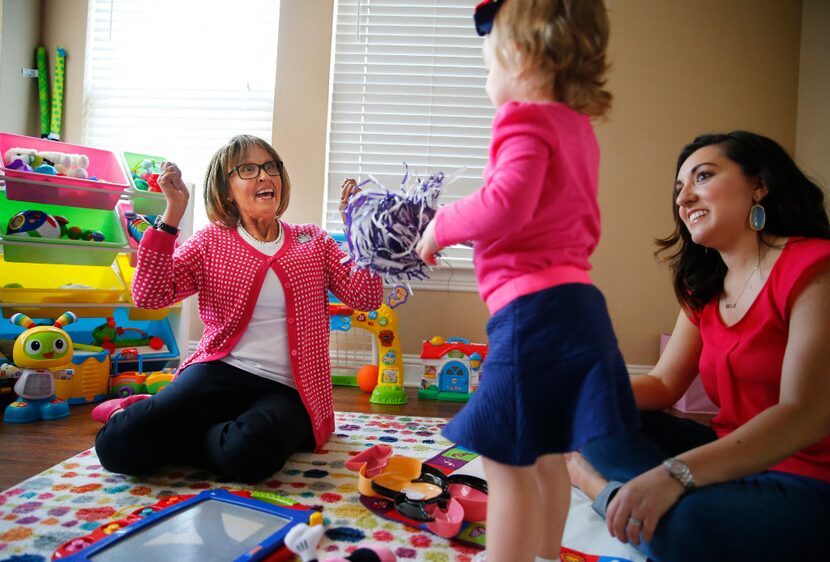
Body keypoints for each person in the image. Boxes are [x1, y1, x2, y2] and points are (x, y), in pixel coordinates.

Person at [415, 1, 639, 561]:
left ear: (518, 56)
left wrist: (442, 224)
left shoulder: (524, 118)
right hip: (581, 307)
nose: (488, 81)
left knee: (505, 458)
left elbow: (506, 204)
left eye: (488, 68)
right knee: (545, 454)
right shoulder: (579, 130)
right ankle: (542, 554)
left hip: (535, 312)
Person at [566, 130, 830, 562]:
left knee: (683, 529)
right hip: (726, 456)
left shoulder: (814, 265)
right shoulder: (703, 287)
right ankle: (643, 502)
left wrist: (676, 474)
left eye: (703, 177)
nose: (684, 198)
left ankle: (594, 485)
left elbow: (806, 414)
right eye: (679, 189)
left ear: (759, 185)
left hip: (806, 475)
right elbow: (664, 383)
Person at [93, 135, 382, 483]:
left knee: (250, 454)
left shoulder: (313, 240)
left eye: (270, 167)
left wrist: (360, 229)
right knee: (117, 446)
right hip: (219, 371)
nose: (264, 176)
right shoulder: (209, 241)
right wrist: (173, 214)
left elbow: (366, 297)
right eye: (248, 169)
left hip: (289, 388)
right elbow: (149, 296)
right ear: (227, 189)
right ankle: (195, 429)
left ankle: (189, 435)